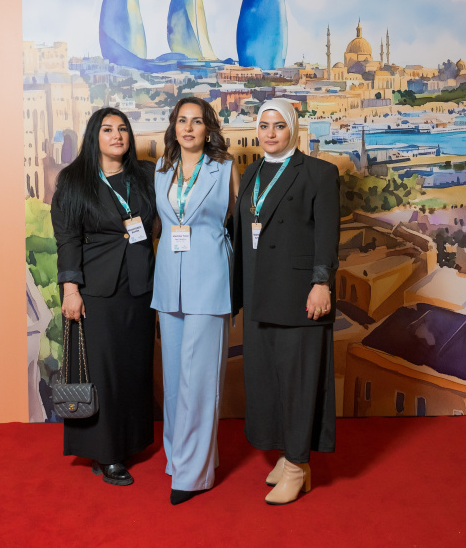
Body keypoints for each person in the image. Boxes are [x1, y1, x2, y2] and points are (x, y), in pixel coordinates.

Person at [231, 99, 340, 505]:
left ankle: (298, 464)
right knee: (268, 380)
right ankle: (287, 454)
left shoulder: (318, 173)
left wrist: (321, 283)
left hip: (298, 294)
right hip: (259, 291)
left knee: (298, 381)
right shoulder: (252, 173)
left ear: (292, 128)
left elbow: (326, 234)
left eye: (279, 125)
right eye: (264, 125)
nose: (270, 133)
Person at [50, 107, 157, 486]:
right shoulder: (74, 180)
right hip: (96, 289)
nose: (117, 135)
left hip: (140, 287)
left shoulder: (146, 175)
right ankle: (106, 452)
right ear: (94, 135)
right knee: (103, 371)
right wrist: (70, 289)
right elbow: (67, 239)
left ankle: (130, 442)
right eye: (108, 129)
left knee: (133, 369)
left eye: (123, 129)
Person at [151, 97, 240, 505]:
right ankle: (179, 458)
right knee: (173, 380)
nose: (188, 128)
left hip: (209, 280)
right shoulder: (161, 168)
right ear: (174, 126)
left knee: (199, 380)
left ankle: (193, 474)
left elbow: (236, 223)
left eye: (197, 121)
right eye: (182, 121)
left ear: (208, 129)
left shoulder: (225, 168)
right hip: (169, 282)